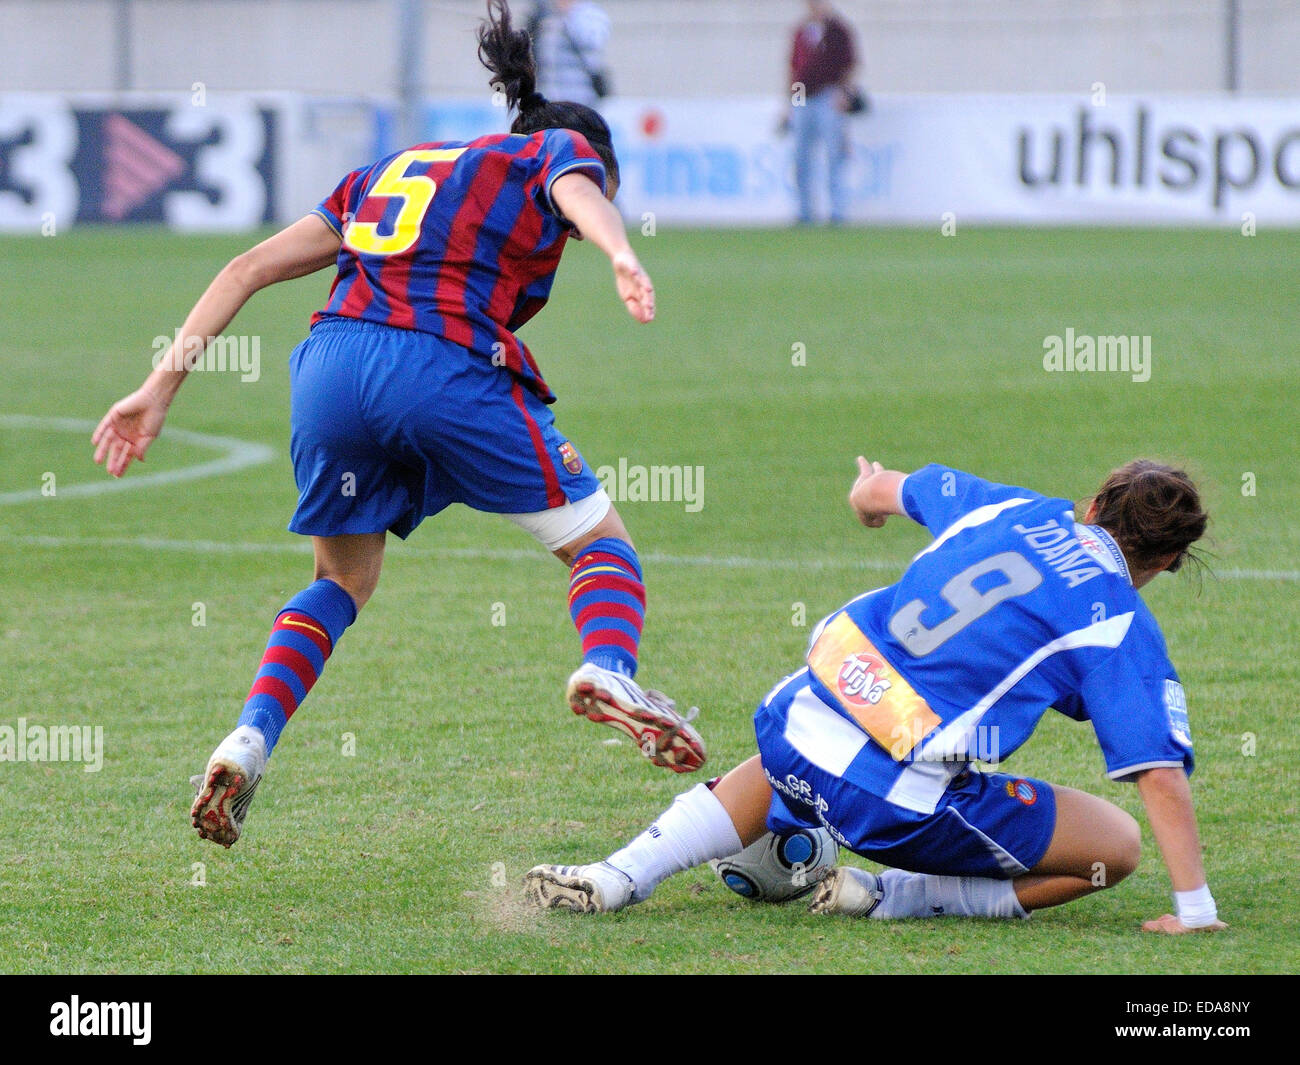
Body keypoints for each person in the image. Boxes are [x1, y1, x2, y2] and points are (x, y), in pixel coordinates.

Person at [91, 0, 706, 849]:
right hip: (440, 364)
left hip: (330, 369)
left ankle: (250, 736)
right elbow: (575, 189)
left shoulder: (392, 167)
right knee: (601, 545)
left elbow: (248, 266)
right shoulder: (556, 150)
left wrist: (160, 385)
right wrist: (620, 251)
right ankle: (608, 667)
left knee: (341, 580)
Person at [526, 456, 1227, 935]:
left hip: (793, 721)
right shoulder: (1118, 621)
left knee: (816, 735)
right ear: (1167, 560)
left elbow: (892, 487)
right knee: (1117, 845)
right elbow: (1157, 772)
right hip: (894, 805)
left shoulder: (1015, 509)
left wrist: (868, 499)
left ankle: (619, 873)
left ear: (1094, 504)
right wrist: (1193, 907)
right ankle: (903, 895)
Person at [786, 1, 858, 225]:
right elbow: (793, 69)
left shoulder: (837, 30)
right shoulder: (801, 31)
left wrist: (843, 93)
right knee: (801, 156)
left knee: (834, 153)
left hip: (828, 95)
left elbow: (849, 65)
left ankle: (837, 211)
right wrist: (791, 103)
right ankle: (804, 211)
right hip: (803, 96)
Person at [527, 0, 611, 109]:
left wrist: (570, 13)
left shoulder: (589, 13)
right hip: (548, 97)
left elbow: (592, 42)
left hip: (580, 99)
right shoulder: (545, 14)